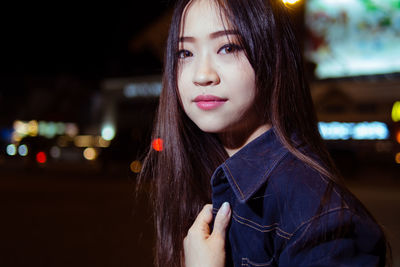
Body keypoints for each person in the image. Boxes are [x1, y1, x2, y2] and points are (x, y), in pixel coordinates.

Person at [139, 0, 389, 266]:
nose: (202, 75)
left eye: (228, 47)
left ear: (273, 55)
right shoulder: (204, 175)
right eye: (185, 53)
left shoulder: (318, 218)